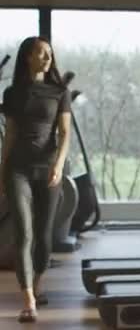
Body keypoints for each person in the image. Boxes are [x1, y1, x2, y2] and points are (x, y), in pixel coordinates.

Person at [0, 36, 71, 323]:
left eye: (50, 54)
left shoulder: (59, 92)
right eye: (41, 53)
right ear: (27, 56)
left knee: (43, 237)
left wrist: (59, 164)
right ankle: (28, 298)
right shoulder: (12, 92)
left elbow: (64, 133)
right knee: (24, 233)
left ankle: (37, 285)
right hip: (18, 168)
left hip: (48, 168)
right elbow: (12, 135)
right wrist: (0, 170)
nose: (47, 58)